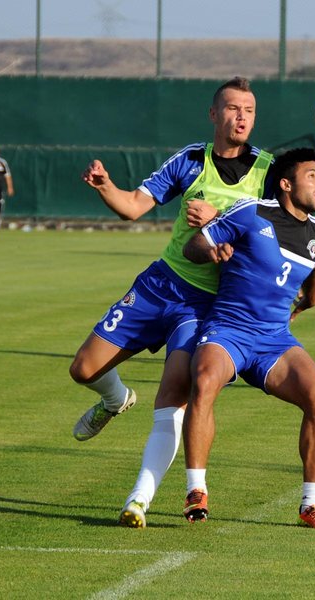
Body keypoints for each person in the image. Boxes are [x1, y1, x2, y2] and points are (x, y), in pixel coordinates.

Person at [71, 77, 273, 529]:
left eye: (249, 110)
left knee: (172, 400)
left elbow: (276, 237)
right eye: (233, 108)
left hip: (207, 306)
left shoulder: (268, 171)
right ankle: (116, 399)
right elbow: (133, 206)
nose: (242, 117)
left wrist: (219, 219)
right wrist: (105, 186)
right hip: (160, 285)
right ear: (214, 114)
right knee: (83, 369)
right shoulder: (190, 160)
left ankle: (138, 500)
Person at [181, 147, 315, 530]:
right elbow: (193, 245)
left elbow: (314, 277)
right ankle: (196, 490)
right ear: (286, 184)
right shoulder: (252, 212)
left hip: (274, 341)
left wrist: (306, 302)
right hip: (229, 330)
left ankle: (311, 505)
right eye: (312, 176)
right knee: (204, 381)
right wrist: (212, 250)